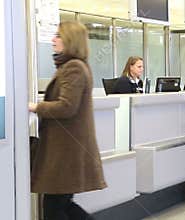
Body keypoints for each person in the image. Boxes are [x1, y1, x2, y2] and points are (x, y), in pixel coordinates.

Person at [29, 21, 106, 220]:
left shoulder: (74, 68)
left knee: (54, 207)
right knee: (61, 205)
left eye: (58, 36)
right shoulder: (72, 66)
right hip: (66, 150)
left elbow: (67, 106)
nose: (53, 40)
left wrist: (35, 107)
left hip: (66, 151)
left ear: (70, 41)